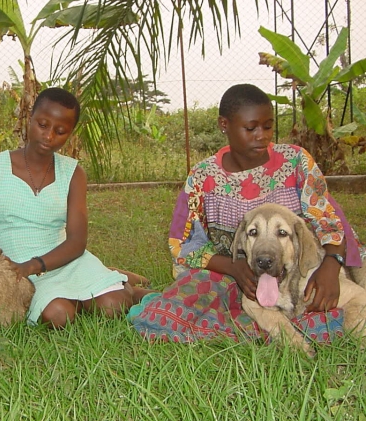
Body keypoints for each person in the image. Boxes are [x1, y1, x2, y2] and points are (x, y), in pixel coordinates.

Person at [127, 83, 366, 343]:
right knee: (186, 300)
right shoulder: (203, 177)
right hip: (232, 272)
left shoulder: (297, 162)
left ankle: (267, 325)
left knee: (332, 299)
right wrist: (234, 267)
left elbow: (328, 220)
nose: (262, 136)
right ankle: (294, 325)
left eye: (268, 126)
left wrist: (331, 268)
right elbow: (181, 245)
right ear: (224, 124)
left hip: (302, 266)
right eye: (251, 128)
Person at [0, 87, 149, 328]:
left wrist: (35, 265)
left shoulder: (72, 173)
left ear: (70, 133)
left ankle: (120, 286)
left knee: (115, 306)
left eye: (60, 131)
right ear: (29, 119)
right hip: (17, 268)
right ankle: (102, 286)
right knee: (58, 316)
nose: (49, 136)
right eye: (42, 124)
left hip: (65, 260)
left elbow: (76, 241)